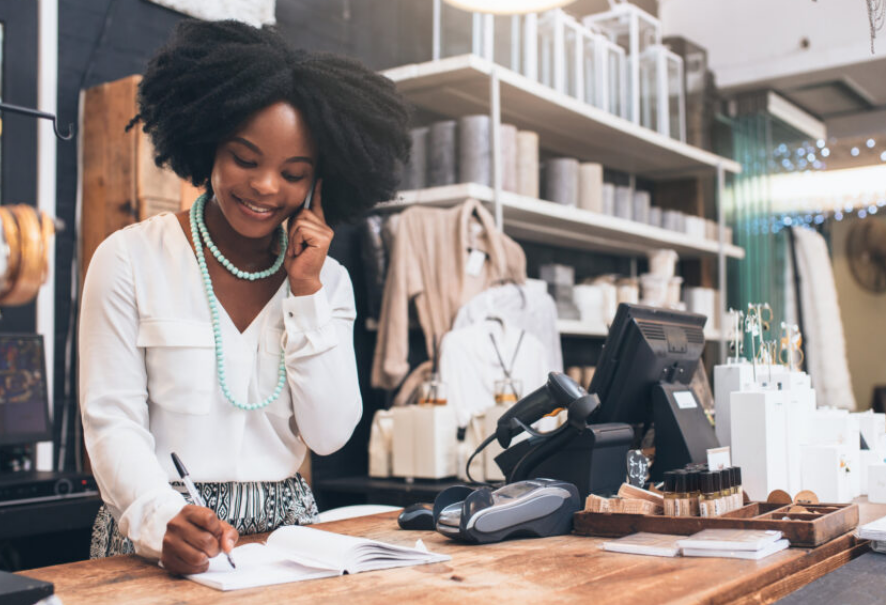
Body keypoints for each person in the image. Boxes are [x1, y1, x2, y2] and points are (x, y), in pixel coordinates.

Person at [79, 19, 410, 575]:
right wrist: (161, 518)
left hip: (289, 542)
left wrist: (306, 291)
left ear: (318, 184)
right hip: (157, 532)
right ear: (208, 144)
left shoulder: (329, 282)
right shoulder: (128, 259)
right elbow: (112, 422)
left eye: (293, 173)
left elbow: (329, 436)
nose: (265, 187)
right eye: (245, 159)